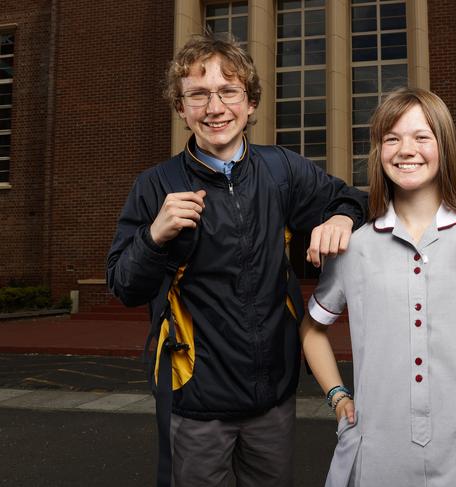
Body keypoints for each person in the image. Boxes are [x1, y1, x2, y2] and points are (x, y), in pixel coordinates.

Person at [106, 33, 367, 487]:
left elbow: (349, 199)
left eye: (229, 91)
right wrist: (154, 236)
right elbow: (124, 286)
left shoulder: (281, 169)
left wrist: (342, 218)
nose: (215, 107)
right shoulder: (154, 186)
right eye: (198, 95)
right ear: (181, 108)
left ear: (249, 103)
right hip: (196, 398)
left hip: (273, 397)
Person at [300, 87, 456, 486]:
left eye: (422, 137)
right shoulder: (357, 245)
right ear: (379, 151)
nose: (406, 150)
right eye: (392, 138)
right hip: (374, 457)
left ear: (444, 146)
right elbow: (312, 328)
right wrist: (337, 397)